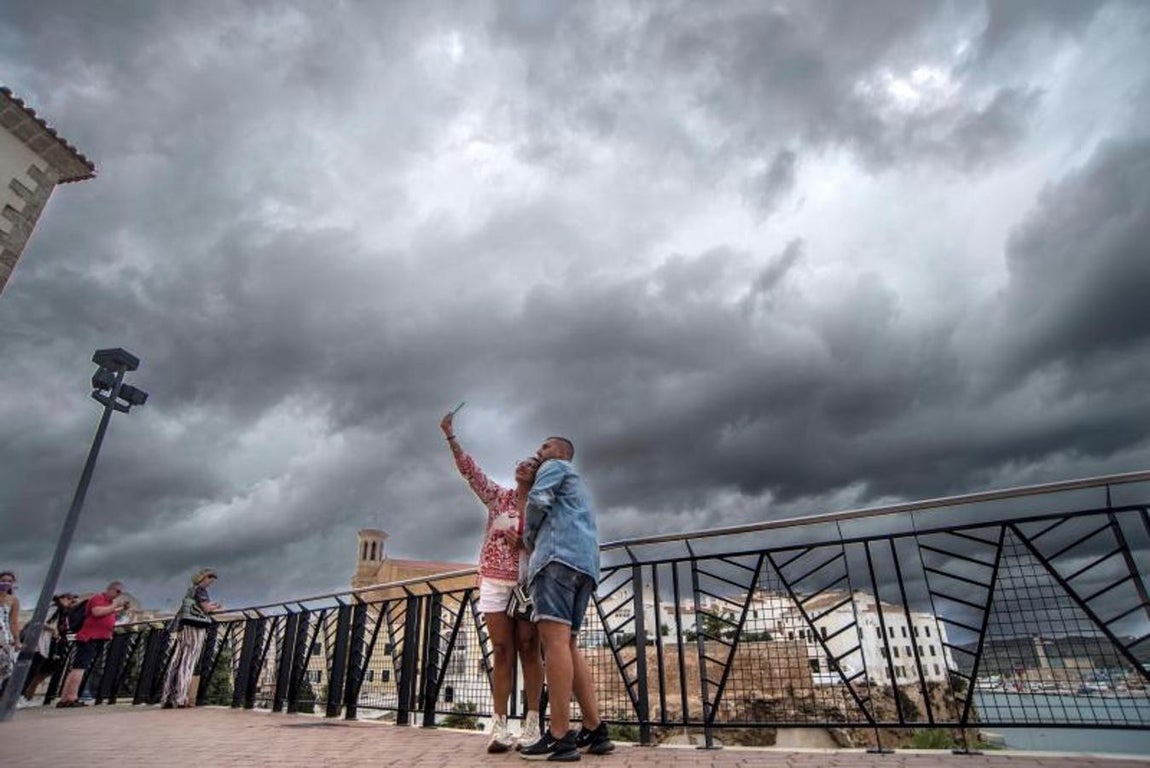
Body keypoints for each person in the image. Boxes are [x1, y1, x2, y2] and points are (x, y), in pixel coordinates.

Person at [441, 409, 544, 753]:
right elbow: (471, 473)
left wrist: (526, 544)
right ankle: (499, 724)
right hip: (494, 583)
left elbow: (552, 542)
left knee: (530, 649)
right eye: (520, 462)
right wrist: (450, 436)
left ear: (540, 473)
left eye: (531, 464)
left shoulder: (544, 506)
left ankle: (532, 722)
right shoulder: (499, 497)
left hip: (528, 585)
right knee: (501, 651)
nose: (522, 466)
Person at [520, 437, 614, 761]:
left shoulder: (554, 466)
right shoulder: (580, 486)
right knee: (568, 644)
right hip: (585, 565)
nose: (538, 451)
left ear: (561, 452)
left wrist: (528, 539)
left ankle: (560, 736)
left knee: (555, 644)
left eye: (544, 446)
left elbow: (538, 500)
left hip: (556, 559)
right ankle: (595, 728)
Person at [56, 581, 129, 707]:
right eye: (117, 591)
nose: (118, 595)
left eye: (121, 593)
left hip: (98, 638)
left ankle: (66, 697)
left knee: (79, 667)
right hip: (89, 637)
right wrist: (115, 606)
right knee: (79, 668)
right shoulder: (98, 598)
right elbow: (96, 612)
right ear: (110, 589)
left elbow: (107, 613)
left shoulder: (109, 603)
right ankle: (71, 697)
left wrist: (120, 608)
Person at [161, 568, 222, 709]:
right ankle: (181, 698)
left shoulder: (191, 590)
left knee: (177, 661)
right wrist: (216, 607)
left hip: (184, 627)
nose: (210, 583)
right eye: (210, 579)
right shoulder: (200, 590)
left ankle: (167, 697)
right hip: (195, 627)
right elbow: (206, 609)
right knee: (188, 661)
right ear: (203, 578)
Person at [17, 593, 76, 707]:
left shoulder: (58, 611)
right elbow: (40, 621)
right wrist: (53, 630)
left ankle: (22, 696)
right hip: (38, 643)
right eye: (69, 600)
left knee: (32, 671)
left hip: (41, 643)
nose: (70, 603)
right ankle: (20, 696)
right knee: (31, 671)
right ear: (62, 599)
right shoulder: (54, 609)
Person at [0, 571, 20, 695]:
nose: (6, 583)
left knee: (5, 667)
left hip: (5, 636)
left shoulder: (13, 600)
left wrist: (17, 639)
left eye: (9, 581)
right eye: (3, 580)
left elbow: (13, 621)